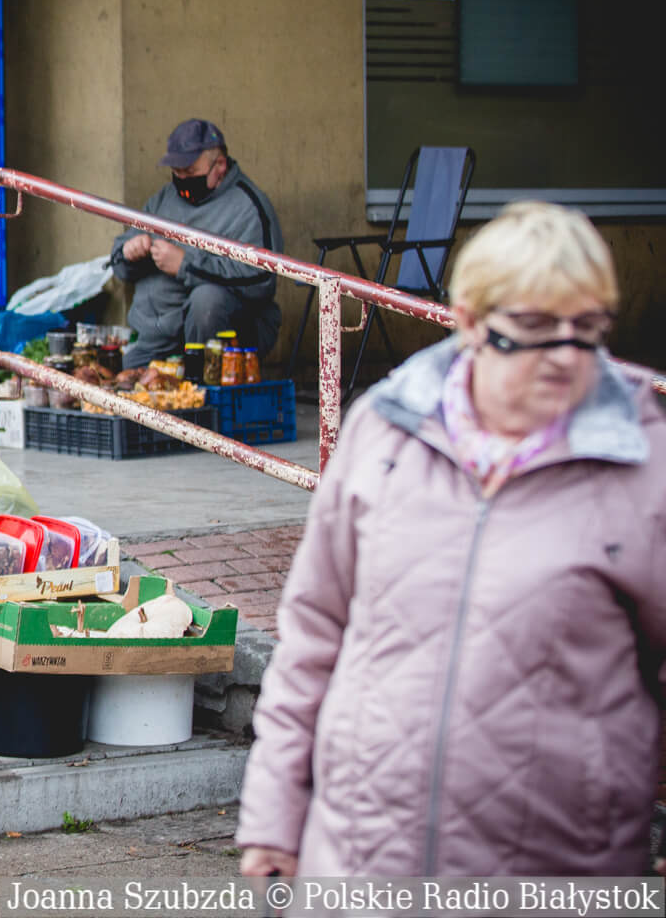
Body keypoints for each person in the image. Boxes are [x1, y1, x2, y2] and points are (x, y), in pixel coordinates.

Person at [237, 202, 666, 879]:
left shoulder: (646, 467)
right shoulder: (383, 433)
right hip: (358, 859)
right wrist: (273, 820)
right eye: (534, 328)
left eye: (587, 328)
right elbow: (313, 634)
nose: (565, 356)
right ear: (469, 321)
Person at [110, 119, 282, 367]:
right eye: (176, 172)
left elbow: (261, 279)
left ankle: (201, 381)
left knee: (207, 300)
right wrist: (128, 252)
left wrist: (186, 265)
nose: (181, 179)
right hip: (158, 337)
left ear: (220, 165)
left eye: (189, 172)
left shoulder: (248, 207)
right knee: (114, 383)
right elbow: (118, 264)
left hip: (224, 333)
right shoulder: (164, 198)